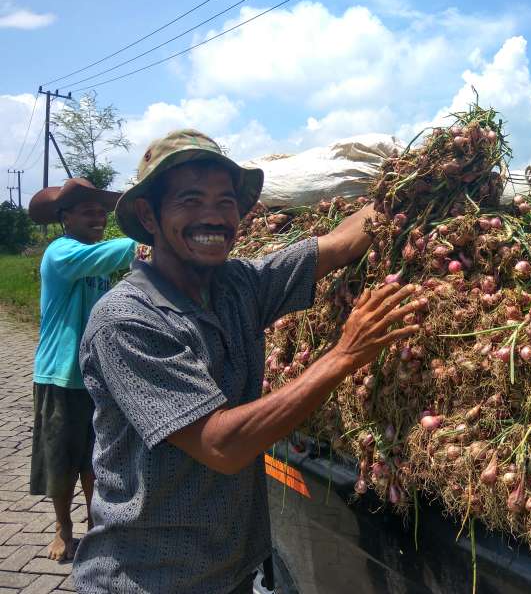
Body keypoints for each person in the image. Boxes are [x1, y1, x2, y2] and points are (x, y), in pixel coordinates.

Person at [74, 129, 421, 593]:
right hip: (150, 579)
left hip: (231, 570)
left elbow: (338, 244)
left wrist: (417, 181)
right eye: (191, 201)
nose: (213, 218)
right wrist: (344, 355)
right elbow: (222, 445)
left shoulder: (237, 284)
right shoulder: (126, 320)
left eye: (225, 202)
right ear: (148, 214)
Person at [27, 178, 136, 561]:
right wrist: (157, 235)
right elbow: (124, 250)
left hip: (96, 376)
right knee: (61, 460)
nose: (98, 217)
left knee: (95, 458)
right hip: (60, 374)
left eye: (101, 211)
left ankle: (95, 525)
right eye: (88, 211)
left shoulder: (96, 255)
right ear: (65, 217)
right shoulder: (61, 252)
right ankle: (63, 527)